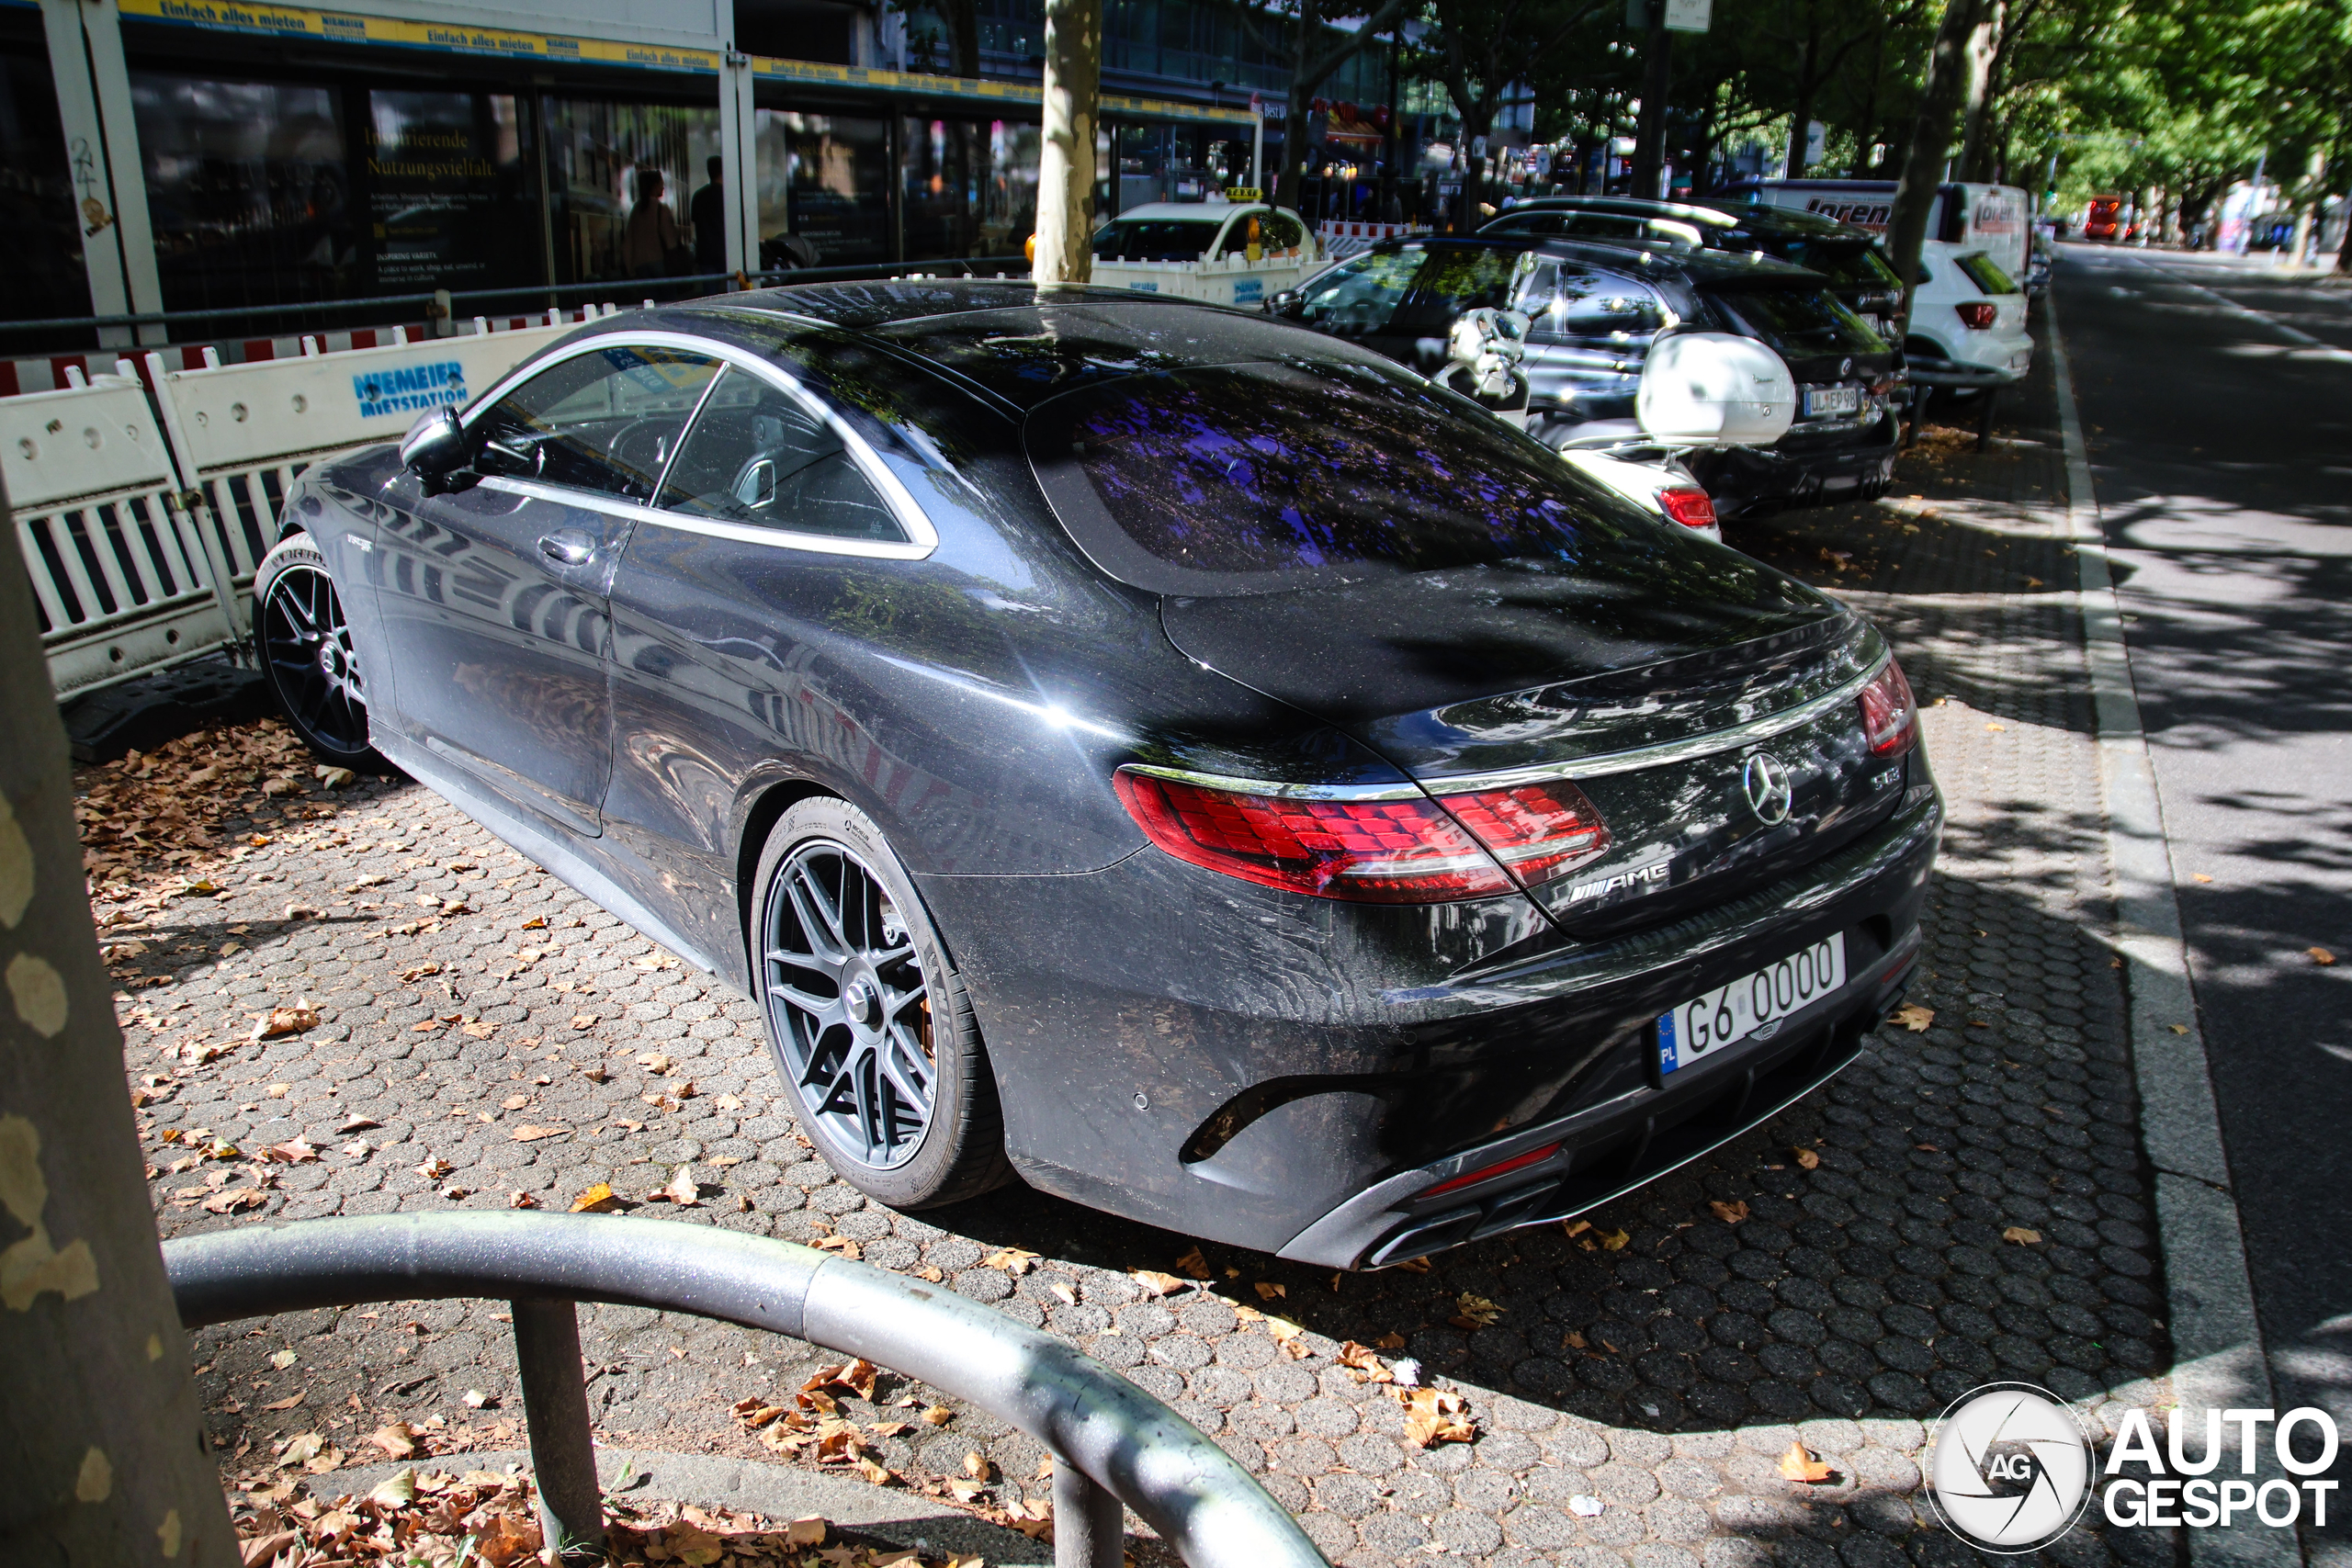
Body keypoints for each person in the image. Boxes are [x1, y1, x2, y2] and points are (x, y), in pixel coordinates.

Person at [623, 169, 682, 279]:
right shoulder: (661, 209)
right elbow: (670, 240)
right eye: (661, 184)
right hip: (659, 260)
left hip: (639, 263)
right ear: (654, 186)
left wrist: (629, 267)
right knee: (668, 295)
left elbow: (628, 241)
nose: (663, 188)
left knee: (649, 295)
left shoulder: (636, 209)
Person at [691, 155, 725, 271]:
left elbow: (695, 221)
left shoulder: (699, 196)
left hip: (705, 253)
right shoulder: (728, 196)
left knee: (710, 288)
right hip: (726, 253)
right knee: (733, 287)